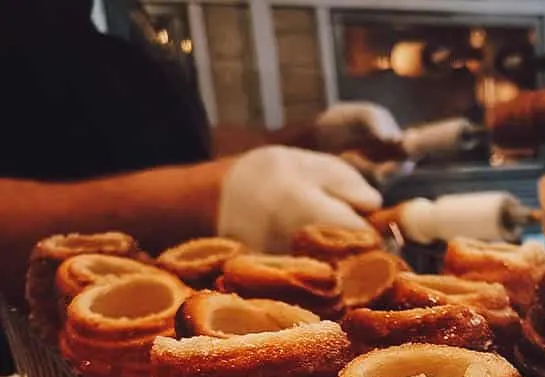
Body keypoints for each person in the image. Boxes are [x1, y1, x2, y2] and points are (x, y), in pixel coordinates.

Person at [0, 0, 402, 324]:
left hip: (180, 328)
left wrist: (307, 138)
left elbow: (179, 143)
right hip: (35, 365)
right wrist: (201, 197)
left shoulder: (106, 30)